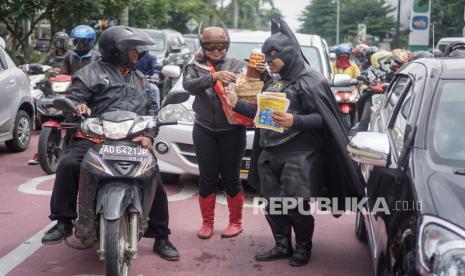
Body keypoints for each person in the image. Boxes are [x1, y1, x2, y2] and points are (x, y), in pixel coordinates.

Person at [227, 19, 363, 267]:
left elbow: (324, 119)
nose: (269, 64)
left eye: (272, 58)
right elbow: (263, 115)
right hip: (269, 151)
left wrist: (295, 120)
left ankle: (302, 247)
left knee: (295, 205)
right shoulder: (274, 81)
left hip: (299, 153)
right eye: (266, 59)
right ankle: (281, 244)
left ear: (287, 54)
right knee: (271, 203)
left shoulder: (312, 80)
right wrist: (236, 103)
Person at [40, 26, 180, 261]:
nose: (139, 54)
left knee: (153, 176)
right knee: (68, 165)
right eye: (134, 50)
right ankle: (63, 221)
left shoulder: (140, 78)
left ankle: (161, 236)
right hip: (94, 139)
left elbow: (151, 111)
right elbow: (73, 99)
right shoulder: (89, 73)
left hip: (133, 139)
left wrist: (149, 136)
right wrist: (78, 107)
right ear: (119, 50)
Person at [182, 25, 266, 240]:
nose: (217, 50)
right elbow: (189, 86)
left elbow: (256, 88)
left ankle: (235, 222)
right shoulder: (195, 65)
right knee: (207, 177)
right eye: (212, 46)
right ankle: (207, 224)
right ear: (203, 46)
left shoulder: (238, 65)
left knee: (231, 177)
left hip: (232, 130)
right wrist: (213, 77)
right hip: (204, 129)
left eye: (222, 46)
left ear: (228, 46)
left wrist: (261, 74)